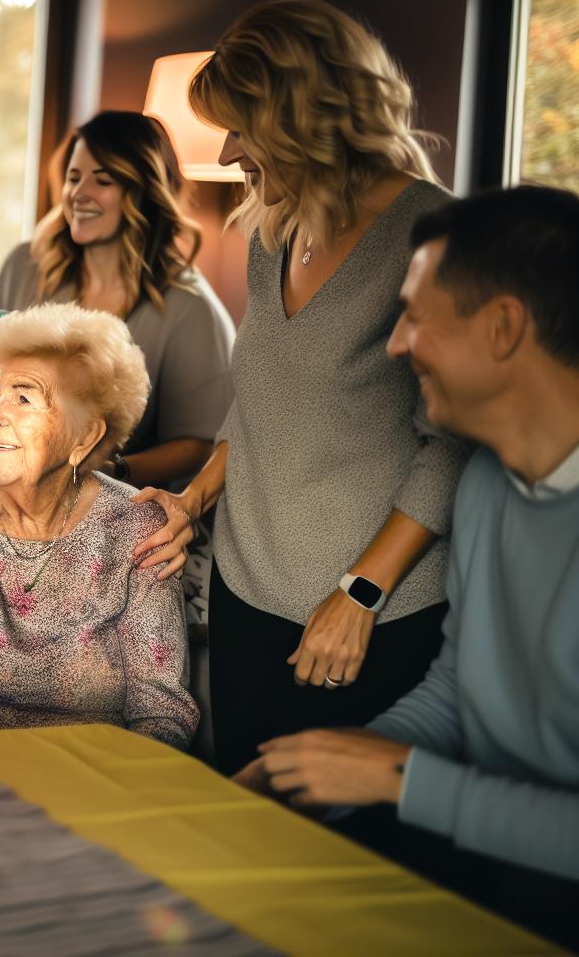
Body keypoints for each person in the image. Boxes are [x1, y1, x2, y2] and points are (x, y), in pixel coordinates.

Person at [132, 0, 471, 775]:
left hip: (366, 616)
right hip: (246, 591)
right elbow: (257, 409)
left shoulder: (433, 234)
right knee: (248, 826)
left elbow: (451, 447)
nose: (228, 149)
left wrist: (360, 595)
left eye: (242, 128)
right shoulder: (273, 228)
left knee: (349, 856)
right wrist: (192, 501)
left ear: (298, 119)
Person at [235, 187, 579, 948]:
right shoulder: (488, 485)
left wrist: (398, 783)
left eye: (416, 316)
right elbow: (462, 689)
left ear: (503, 329)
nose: (394, 344)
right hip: (492, 893)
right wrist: (320, 769)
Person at [0, 303, 198, 748]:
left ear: (85, 437)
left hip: (93, 775)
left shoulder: (138, 532)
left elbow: (161, 712)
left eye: (23, 397)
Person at [0, 111, 234, 492]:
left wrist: (110, 471)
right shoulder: (24, 267)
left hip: (119, 512)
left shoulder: (190, 308)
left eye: (102, 180)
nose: (79, 194)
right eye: (74, 178)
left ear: (143, 191)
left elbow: (199, 445)